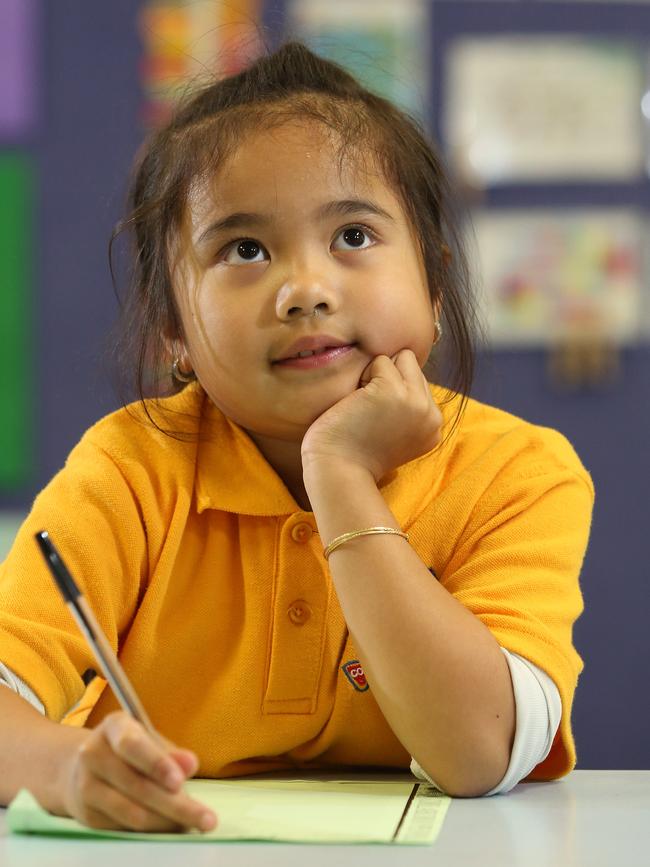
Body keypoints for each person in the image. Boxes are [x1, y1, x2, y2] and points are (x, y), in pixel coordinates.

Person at [0, 42, 593, 833]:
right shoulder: (129, 468)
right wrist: (67, 769)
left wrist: (341, 473)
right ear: (174, 330)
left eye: (353, 235)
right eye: (244, 249)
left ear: (437, 285)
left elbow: (479, 749)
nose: (306, 290)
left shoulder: (519, 470)